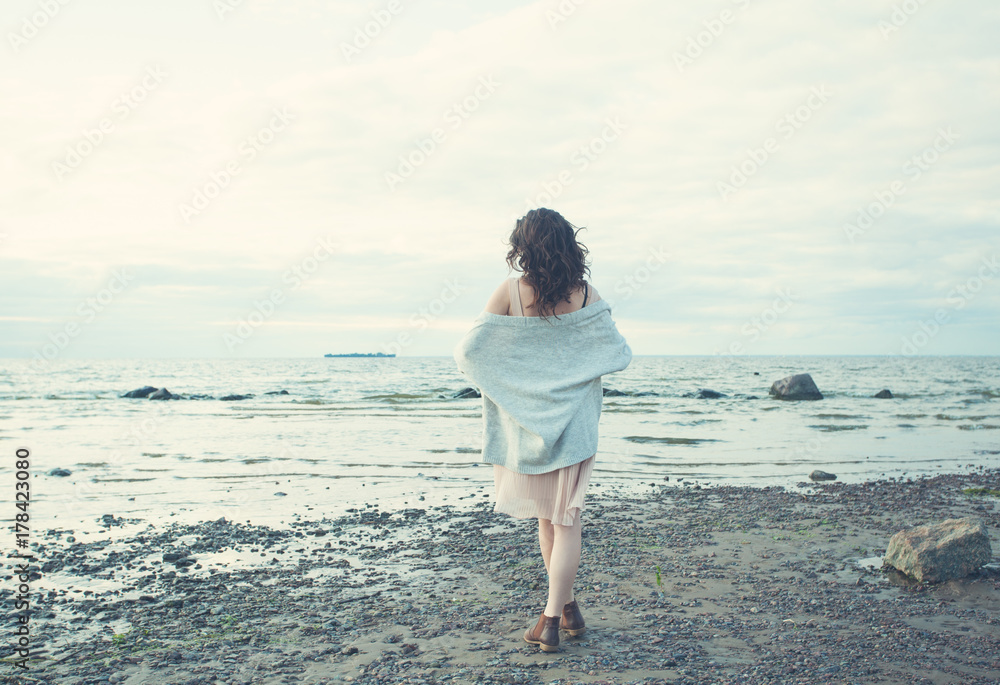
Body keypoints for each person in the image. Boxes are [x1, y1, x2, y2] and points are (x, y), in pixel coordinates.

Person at [453, 208, 632, 652]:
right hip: (574, 426)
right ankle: (566, 608)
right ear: (570, 245)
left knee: (550, 521)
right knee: (563, 520)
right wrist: (570, 372)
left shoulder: (512, 292)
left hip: (527, 429)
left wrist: (519, 387)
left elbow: (469, 353)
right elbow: (617, 351)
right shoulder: (587, 295)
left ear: (523, 247)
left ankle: (550, 620)